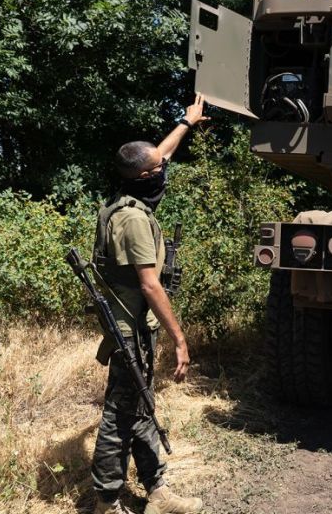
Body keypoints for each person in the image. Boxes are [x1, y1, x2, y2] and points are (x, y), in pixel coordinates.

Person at [90, 94, 209, 514]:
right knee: (120, 415)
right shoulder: (135, 220)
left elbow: (160, 155)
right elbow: (151, 286)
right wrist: (180, 340)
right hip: (130, 328)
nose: (164, 170)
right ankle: (106, 500)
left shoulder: (126, 198)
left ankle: (157, 491)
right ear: (142, 177)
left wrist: (187, 122)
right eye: (157, 169)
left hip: (134, 327)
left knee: (140, 405)